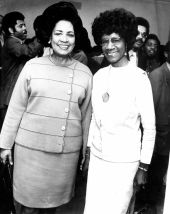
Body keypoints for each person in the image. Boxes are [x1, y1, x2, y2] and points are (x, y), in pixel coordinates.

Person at [0, 4, 92, 214]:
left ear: (75, 39)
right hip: (30, 153)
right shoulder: (32, 66)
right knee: (27, 207)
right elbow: (15, 107)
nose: (64, 39)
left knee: (52, 207)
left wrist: (86, 152)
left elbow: (86, 116)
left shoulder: (85, 73)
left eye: (69, 34)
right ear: (49, 37)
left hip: (64, 156)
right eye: (58, 33)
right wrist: (5, 145)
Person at [83, 8, 155, 214]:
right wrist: (89, 152)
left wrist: (143, 167)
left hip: (125, 162)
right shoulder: (98, 76)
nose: (109, 46)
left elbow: (149, 128)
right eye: (104, 41)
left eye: (115, 40)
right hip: (98, 158)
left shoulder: (139, 79)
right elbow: (95, 117)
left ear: (127, 42)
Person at [0, 11, 43, 128]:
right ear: (10, 30)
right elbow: (29, 51)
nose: (24, 28)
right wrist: (41, 37)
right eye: (20, 26)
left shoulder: (18, 42)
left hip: (12, 95)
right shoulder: (11, 42)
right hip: (9, 97)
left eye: (24, 25)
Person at [146, 41, 170, 213]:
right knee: (155, 176)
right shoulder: (157, 75)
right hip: (160, 138)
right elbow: (149, 113)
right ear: (167, 54)